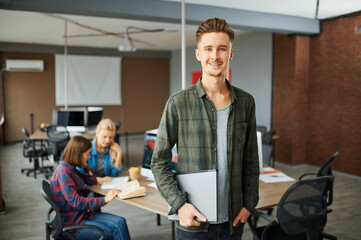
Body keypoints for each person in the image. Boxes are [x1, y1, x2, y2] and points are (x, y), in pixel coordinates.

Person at [151, 17, 259, 239]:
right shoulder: (178, 103)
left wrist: (249, 203)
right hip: (194, 222)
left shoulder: (246, 102)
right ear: (198, 54)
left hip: (233, 220)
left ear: (231, 53)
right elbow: (159, 162)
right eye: (208, 49)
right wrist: (180, 205)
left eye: (222, 49)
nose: (215, 56)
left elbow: (251, 160)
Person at [50, 136, 131, 240]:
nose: (89, 157)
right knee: (115, 231)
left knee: (121, 222)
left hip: (83, 215)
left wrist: (85, 165)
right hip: (73, 225)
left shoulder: (71, 169)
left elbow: (91, 180)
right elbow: (77, 202)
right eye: (87, 154)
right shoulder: (63, 173)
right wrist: (105, 199)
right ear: (78, 155)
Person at [83, 118, 124, 184]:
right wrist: (100, 180)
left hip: (104, 186)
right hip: (88, 187)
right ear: (97, 133)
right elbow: (81, 176)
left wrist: (119, 153)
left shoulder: (112, 149)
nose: (107, 140)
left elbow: (114, 174)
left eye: (111, 137)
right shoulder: (86, 149)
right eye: (104, 137)